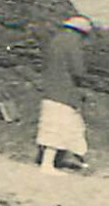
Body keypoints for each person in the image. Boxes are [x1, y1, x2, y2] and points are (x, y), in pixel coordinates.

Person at [36, 15, 93, 174]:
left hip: (51, 87)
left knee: (53, 124)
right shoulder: (73, 43)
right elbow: (78, 70)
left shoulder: (56, 40)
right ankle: (49, 164)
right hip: (65, 90)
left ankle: (57, 160)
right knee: (61, 125)